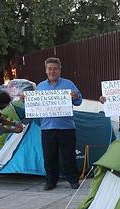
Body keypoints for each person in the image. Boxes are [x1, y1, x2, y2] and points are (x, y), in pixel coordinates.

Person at [37, 57, 83, 191]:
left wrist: (76, 96)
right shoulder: (40, 87)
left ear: (59, 70)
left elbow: (78, 101)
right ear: (46, 70)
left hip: (66, 127)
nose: (52, 71)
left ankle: (73, 180)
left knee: (69, 156)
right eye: (50, 68)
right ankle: (51, 181)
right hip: (47, 128)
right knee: (49, 157)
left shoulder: (68, 84)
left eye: (55, 68)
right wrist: (26, 100)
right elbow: (34, 106)